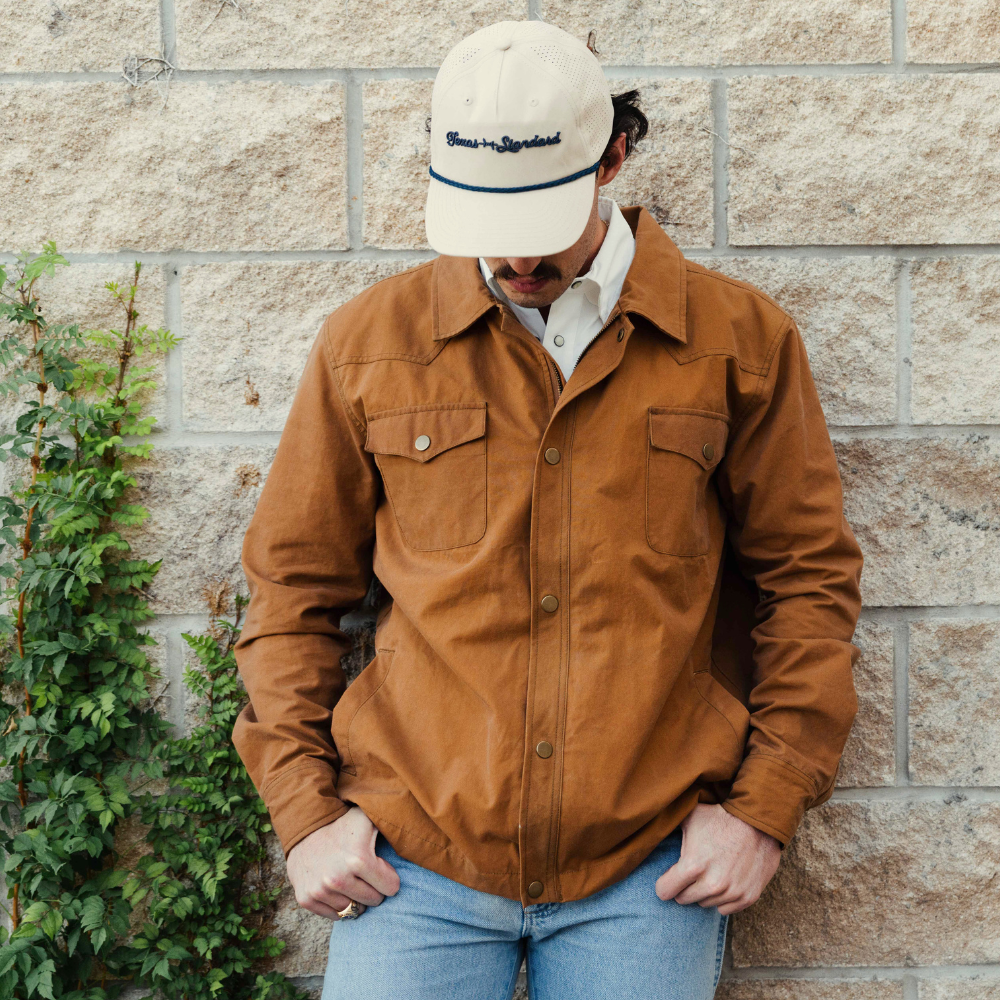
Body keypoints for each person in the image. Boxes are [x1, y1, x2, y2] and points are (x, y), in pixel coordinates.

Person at [232, 18, 864, 1000]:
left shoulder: (738, 343)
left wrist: (762, 806)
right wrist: (306, 812)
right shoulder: (370, 346)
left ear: (613, 154)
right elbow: (291, 593)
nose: (515, 259)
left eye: (541, 217)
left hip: (649, 869)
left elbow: (808, 582)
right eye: (490, 222)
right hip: (413, 863)